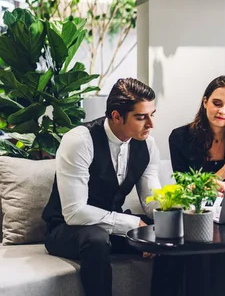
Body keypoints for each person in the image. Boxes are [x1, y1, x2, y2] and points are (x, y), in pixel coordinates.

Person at [42, 78, 161, 296]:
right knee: (96, 238)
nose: (151, 124)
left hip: (112, 226)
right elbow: (74, 212)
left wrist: (173, 212)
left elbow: (151, 199)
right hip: (67, 230)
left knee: (170, 234)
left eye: (152, 115)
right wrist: (134, 224)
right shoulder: (79, 141)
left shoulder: (148, 145)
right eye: (141, 117)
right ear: (116, 116)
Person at [169, 75, 225, 189]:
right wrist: (221, 174)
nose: (222, 111)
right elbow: (184, 191)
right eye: (217, 103)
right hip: (196, 207)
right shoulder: (180, 137)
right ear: (205, 102)